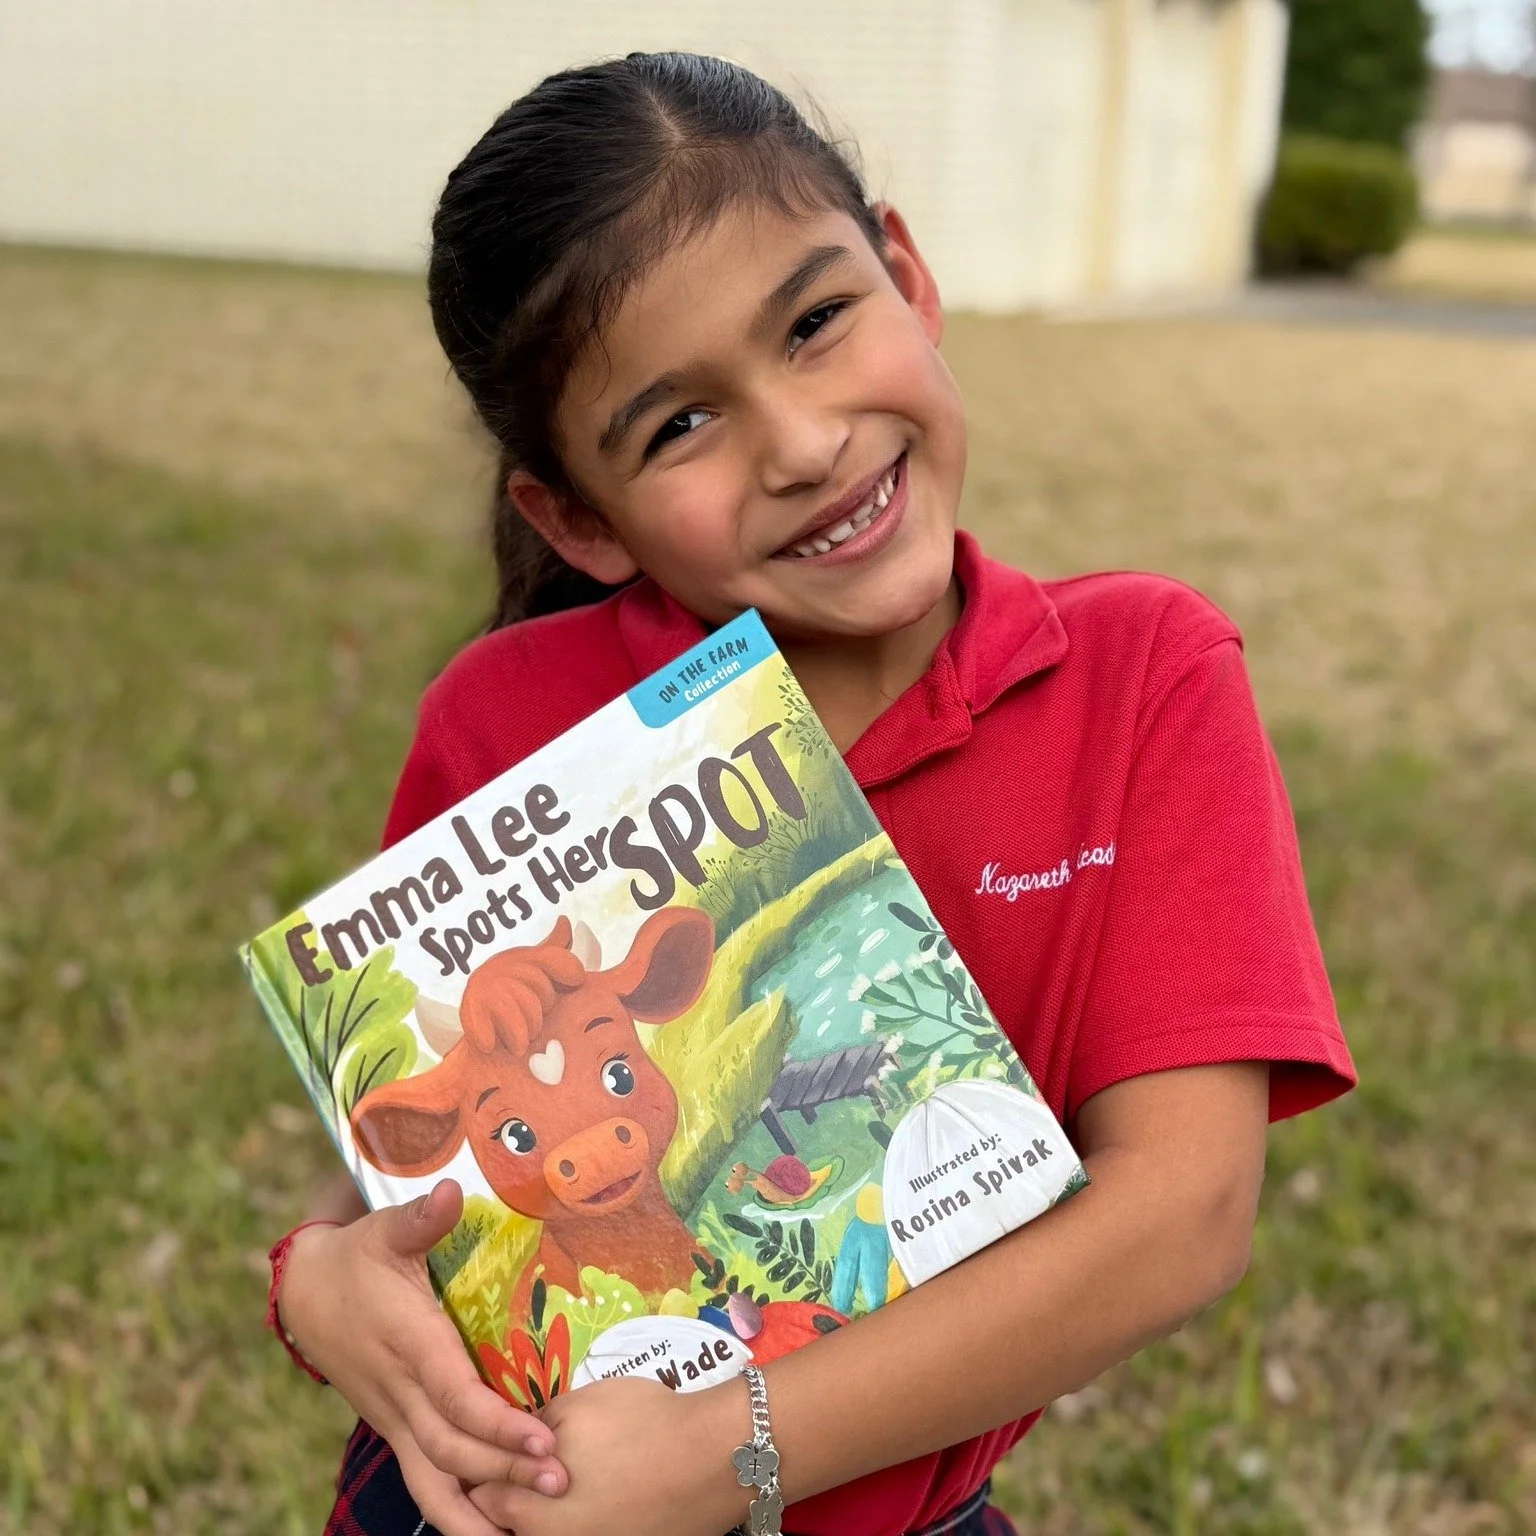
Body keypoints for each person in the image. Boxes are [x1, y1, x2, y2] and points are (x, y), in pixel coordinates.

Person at [268, 51, 1356, 1536]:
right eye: (679, 427)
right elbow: (432, 1136)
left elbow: (1181, 1217)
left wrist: (729, 1452)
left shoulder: (1141, 678)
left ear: (907, 271)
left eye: (819, 321)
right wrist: (318, 1273)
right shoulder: (508, 717)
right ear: (578, 518)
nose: (801, 444)